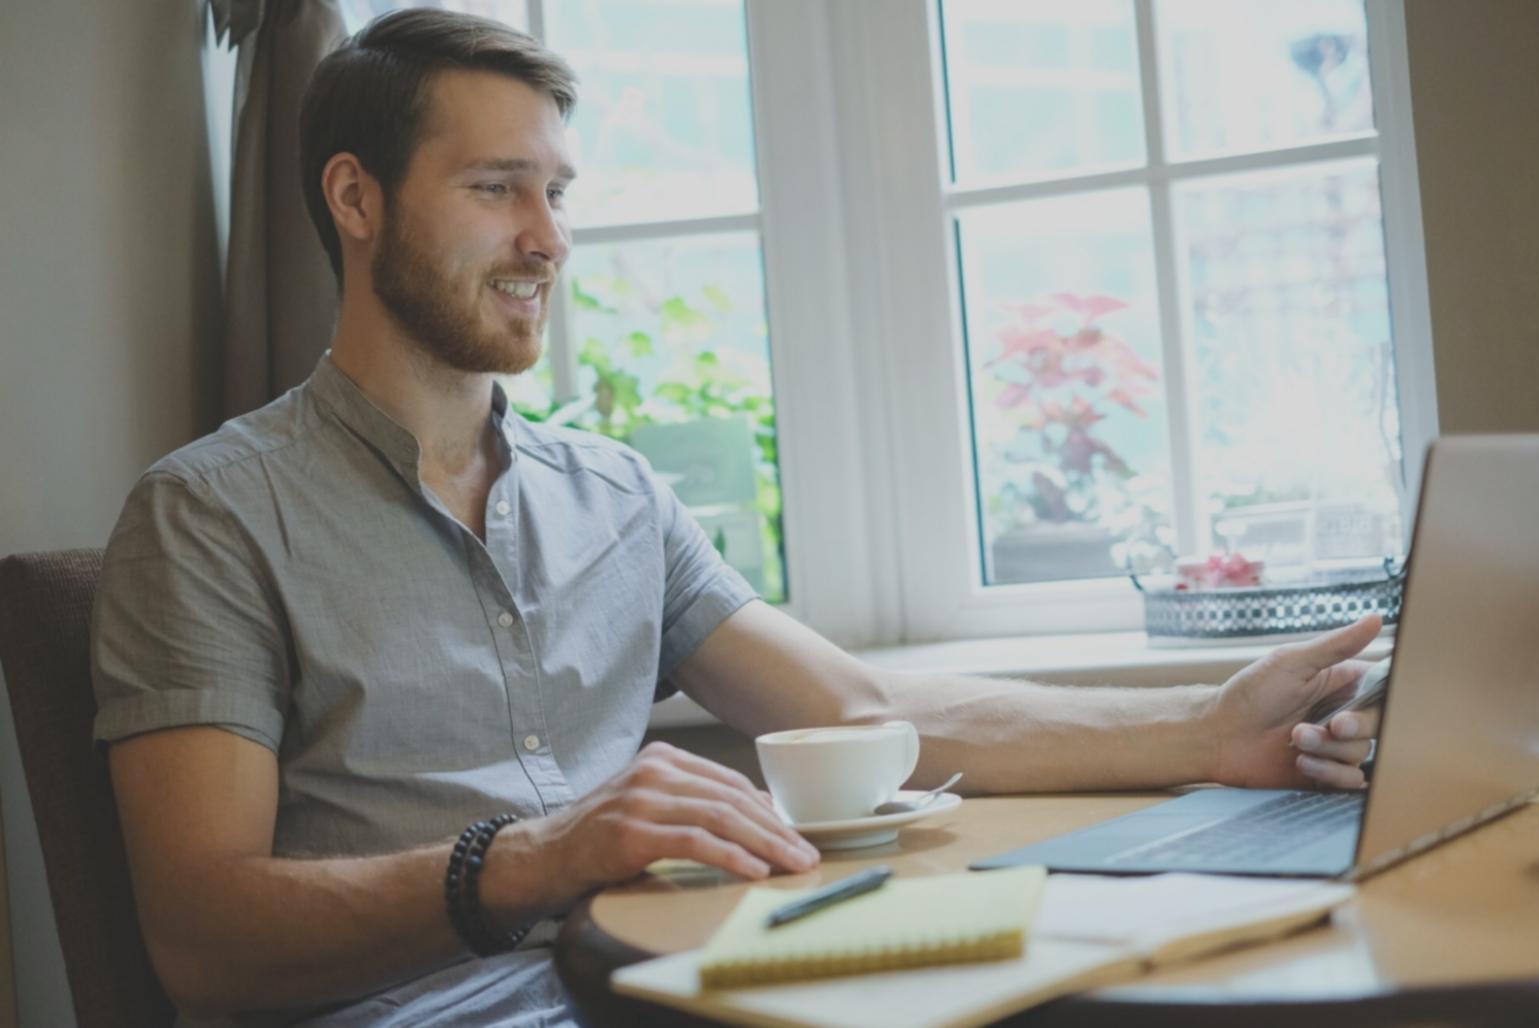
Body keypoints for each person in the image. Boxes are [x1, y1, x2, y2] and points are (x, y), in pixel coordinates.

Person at [90, 9, 1382, 1027]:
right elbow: (201, 934)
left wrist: (1204, 729)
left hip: (662, 996)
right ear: (356, 201)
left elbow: (867, 718)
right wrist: (530, 862)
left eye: (559, 192)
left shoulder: (615, 499)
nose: (549, 239)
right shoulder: (210, 516)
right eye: (497, 189)